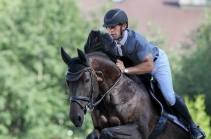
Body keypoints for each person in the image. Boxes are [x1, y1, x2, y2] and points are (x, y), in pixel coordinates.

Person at [102, 8, 206, 139]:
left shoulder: (136, 40)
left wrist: (126, 70)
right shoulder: (110, 42)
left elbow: (148, 65)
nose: (110, 31)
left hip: (156, 64)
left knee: (169, 97)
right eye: (108, 28)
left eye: (113, 27)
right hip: (137, 67)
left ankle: (193, 127)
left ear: (124, 26)